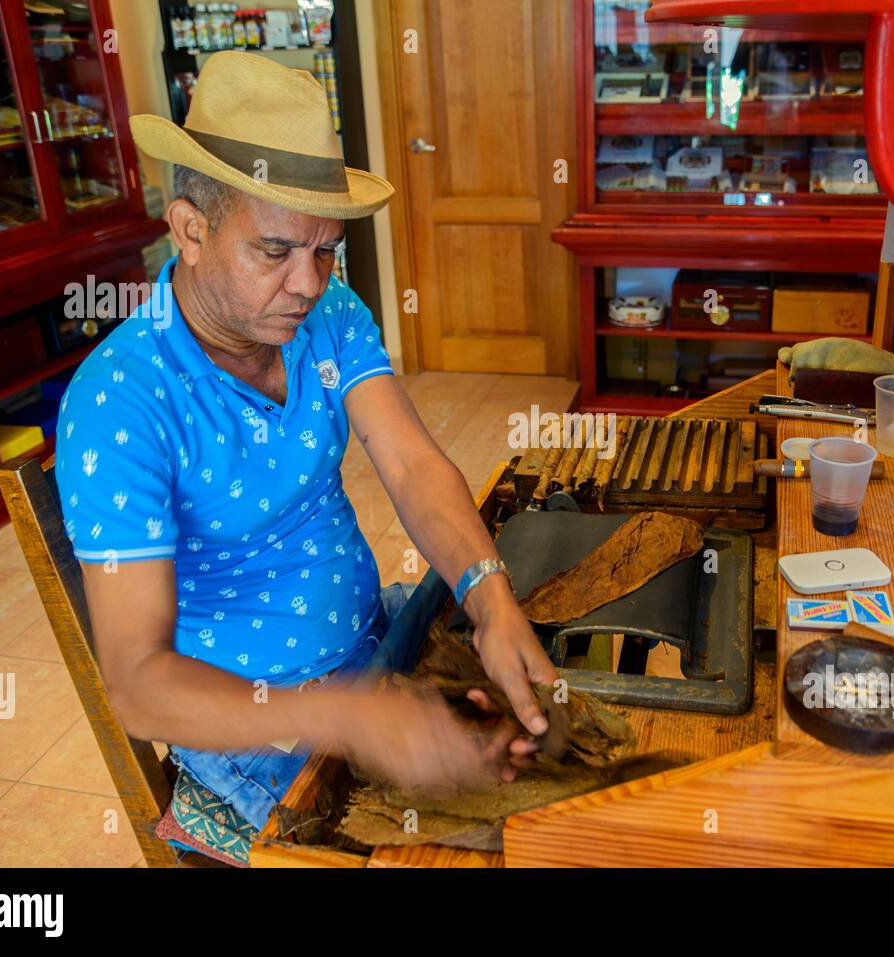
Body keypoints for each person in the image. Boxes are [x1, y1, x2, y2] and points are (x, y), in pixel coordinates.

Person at [54, 51, 557, 832]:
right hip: (260, 728)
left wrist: (488, 596)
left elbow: (412, 461)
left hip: (370, 639)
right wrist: (349, 718)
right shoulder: (121, 402)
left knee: (542, 726)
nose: (310, 283)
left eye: (326, 249)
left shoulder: (330, 316)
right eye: (276, 251)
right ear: (190, 229)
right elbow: (138, 682)